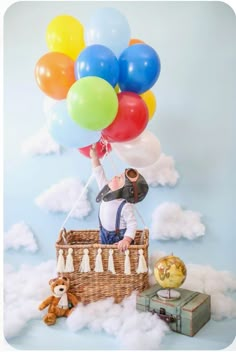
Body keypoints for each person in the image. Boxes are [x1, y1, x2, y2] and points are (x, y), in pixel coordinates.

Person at [90, 144, 149, 252]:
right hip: (103, 233)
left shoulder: (124, 206)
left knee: (119, 262)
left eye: (120, 178)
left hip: (119, 240)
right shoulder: (106, 190)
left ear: (125, 190)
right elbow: (99, 174)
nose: (115, 176)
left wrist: (126, 240)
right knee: (105, 257)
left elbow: (132, 224)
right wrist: (94, 157)